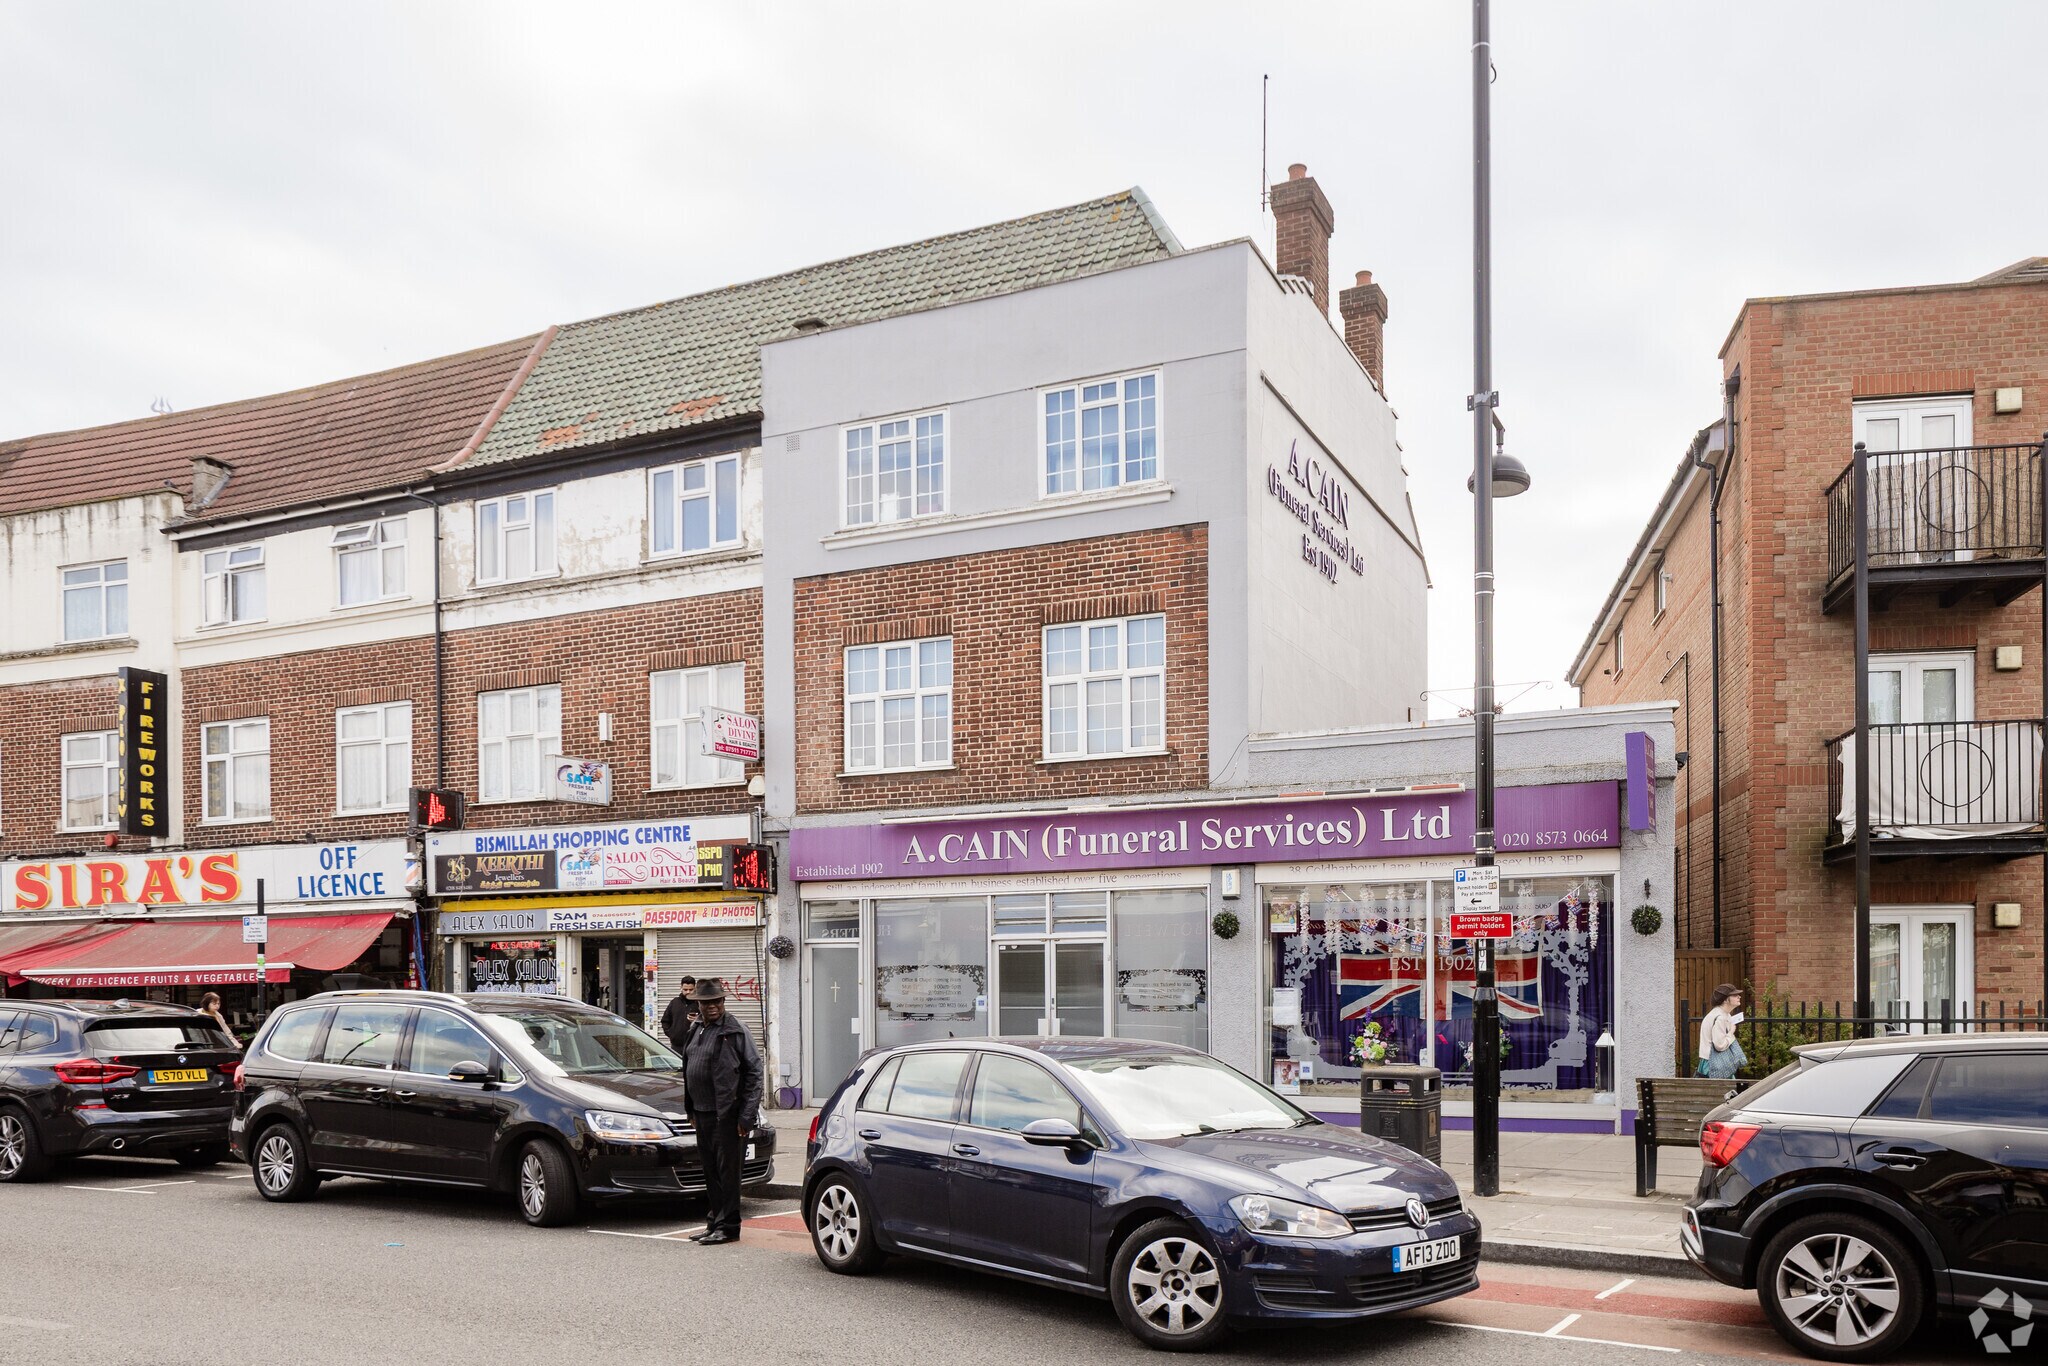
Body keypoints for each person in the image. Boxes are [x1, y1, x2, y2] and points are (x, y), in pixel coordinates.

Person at [678, 978, 761, 1246]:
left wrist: (746, 1116)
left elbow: (755, 1073)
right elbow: (689, 1066)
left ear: (723, 1002)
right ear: (698, 1004)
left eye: (717, 1001)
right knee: (710, 1171)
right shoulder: (696, 1028)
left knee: (728, 1174)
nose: (712, 1006)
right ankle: (714, 1222)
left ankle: (729, 1227)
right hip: (702, 1113)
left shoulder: (736, 1031)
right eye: (707, 1002)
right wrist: (690, 1107)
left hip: (728, 1115)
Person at [1698, 983, 1746, 1079]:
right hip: (1714, 1063)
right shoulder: (1720, 1017)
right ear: (1725, 1000)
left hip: (1712, 1062)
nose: (1739, 997)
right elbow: (1719, 1045)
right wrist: (1731, 1032)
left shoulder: (1723, 1014)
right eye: (1734, 995)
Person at [659, 975, 699, 1052]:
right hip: (676, 1047)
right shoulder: (674, 1002)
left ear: (695, 988)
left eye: (691, 989)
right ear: (680, 988)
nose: (688, 992)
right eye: (685, 989)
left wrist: (698, 1020)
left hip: (695, 1046)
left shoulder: (700, 1004)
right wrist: (672, 1035)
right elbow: (665, 1021)